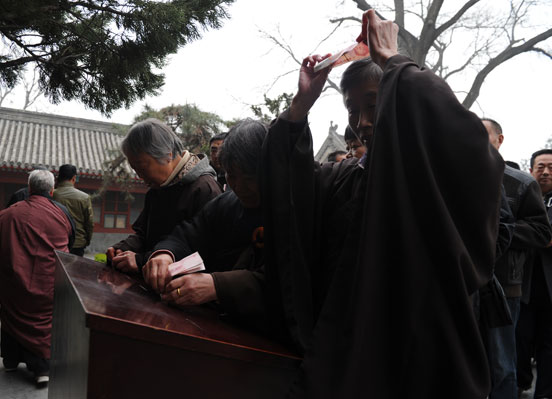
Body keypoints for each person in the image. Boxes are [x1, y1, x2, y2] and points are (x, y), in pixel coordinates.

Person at [261, 10, 504, 398]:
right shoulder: (345, 177)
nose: (362, 122)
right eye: (353, 110)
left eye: (374, 105)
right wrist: (301, 106)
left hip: (415, 359)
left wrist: (394, 62)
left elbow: (470, 146)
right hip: (351, 354)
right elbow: (290, 191)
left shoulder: (425, 182)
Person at [144, 119, 267, 329]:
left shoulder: (291, 210)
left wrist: (218, 287)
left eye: (248, 177)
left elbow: (286, 280)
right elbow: (189, 234)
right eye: (231, 175)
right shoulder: (227, 203)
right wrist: (165, 254)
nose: (238, 186)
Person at [0, 170, 74, 387]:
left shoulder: (10, 213)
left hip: (13, 278)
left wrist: (10, 256)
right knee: (42, 323)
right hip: (47, 279)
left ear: (29, 188)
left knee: (11, 316)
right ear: (52, 190)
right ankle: (42, 369)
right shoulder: (61, 213)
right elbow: (70, 241)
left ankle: (11, 360)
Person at [481, 119, 551, 399]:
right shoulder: (451, 176)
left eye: (482, 134)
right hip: (462, 283)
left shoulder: (520, 183)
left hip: (505, 286)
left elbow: (540, 230)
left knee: (501, 362)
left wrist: (495, 229)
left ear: (499, 140)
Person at [108, 118, 221, 274]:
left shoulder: (205, 189)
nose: (140, 175)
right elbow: (144, 235)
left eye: (142, 167)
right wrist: (124, 248)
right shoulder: (157, 188)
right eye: (135, 169)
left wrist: (141, 261)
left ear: (168, 155)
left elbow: (202, 253)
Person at [516, 149, 552, 398]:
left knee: (549, 347)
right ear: (530, 171)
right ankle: (520, 384)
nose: (546, 172)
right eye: (540, 167)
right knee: (519, 340)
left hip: (550, 289)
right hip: (521, 284)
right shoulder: (520, 196)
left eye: (551, 167)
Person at [52, 164, 94, 256]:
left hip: (56, 241)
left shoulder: (51, 195)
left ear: (58, 177)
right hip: (78, 243)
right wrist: (86, 240)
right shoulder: (84, 197)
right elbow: (89, 223)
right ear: (74, 178)